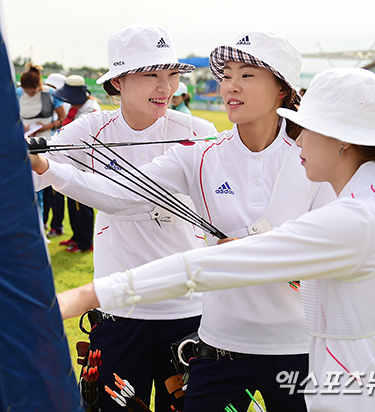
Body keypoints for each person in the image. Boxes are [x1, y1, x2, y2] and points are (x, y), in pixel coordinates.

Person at [51, 67, 375, 412]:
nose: (298, 141)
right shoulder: (370, 210)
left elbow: (212, 265)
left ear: (343, 140)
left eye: (306, 129)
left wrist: (84, 297)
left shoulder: (359, 220)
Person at [31, 30, 335, 411]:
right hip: (217, 347)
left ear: (282, 88)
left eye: (247, 75)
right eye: (225, 76)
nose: (230, 86)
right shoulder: (200, 154)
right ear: (118, 82)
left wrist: (261, 252)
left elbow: (334, 246)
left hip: (295, 346)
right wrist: (44, 165)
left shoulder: (310, 156)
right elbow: (120, 195)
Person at [32, 23, 217, 412]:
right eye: (151, 75)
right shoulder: (90, 130)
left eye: (171, 75)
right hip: (120, 310)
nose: (164, 87)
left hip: (188, 310)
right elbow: (27, 175)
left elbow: (129, 199)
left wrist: (47, 167)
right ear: (117, 81)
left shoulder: (197, 132)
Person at [49, 75, 101, 251]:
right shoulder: (77, 107)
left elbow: (77, 137)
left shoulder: (90, 110)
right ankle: (76, 237)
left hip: (84, 164)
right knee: (72, 202)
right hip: (73, 162)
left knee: (82, 205)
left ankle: (85, 243)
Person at [17, 63, 66, 225]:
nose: (28, 94)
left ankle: (42, 223)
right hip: (23, 142)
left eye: (32, 92)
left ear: (39, 85)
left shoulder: (51, 95)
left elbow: (62, 119)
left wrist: (46, 126)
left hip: (45, 143)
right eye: (26, 91)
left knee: (43, 185)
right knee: (27, 184)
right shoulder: (18, 93)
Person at [42, 73, 70, 236]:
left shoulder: (61, 102)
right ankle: (47, 222)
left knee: (55, 192)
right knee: (48, 193)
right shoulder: (56, 98)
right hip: (48, 149)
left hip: (56, 150)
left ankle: (56, 225)